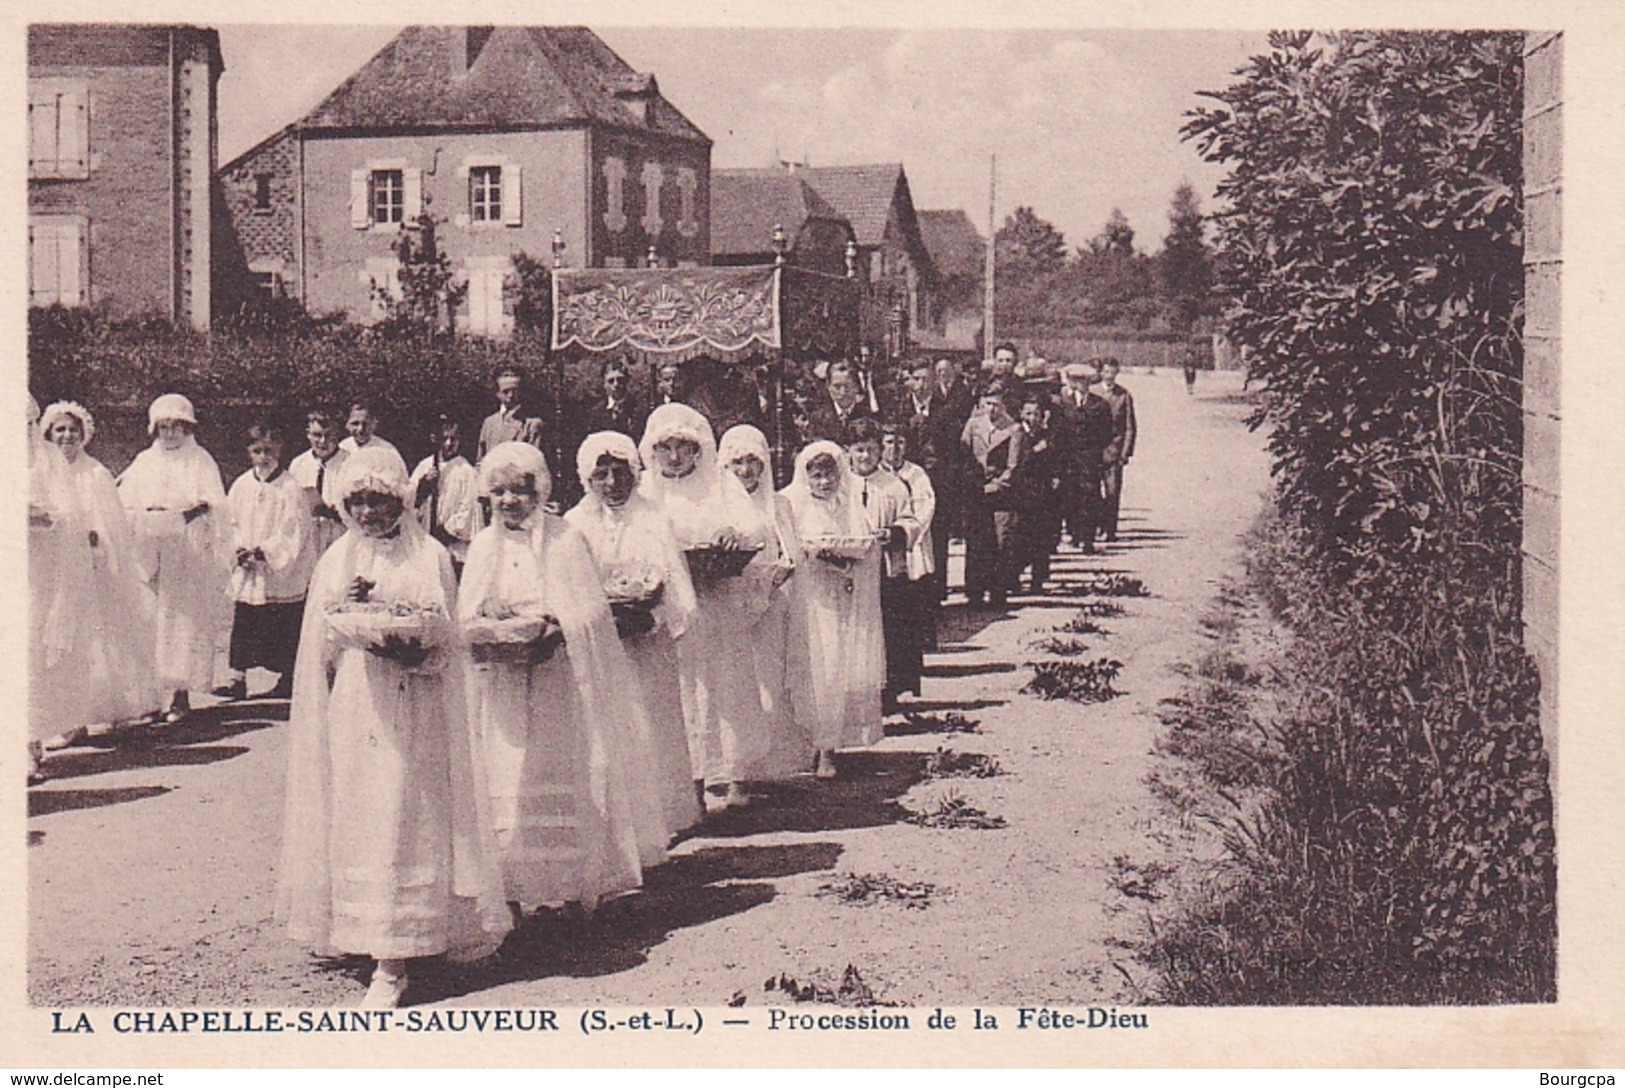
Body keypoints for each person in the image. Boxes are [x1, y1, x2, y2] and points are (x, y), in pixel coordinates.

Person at [276, 447, 511, 1010]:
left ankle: (403, 950)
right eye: (356, 501)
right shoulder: (336, 558)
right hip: (359, 703)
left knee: (409, 808)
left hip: (417, 702)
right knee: (362, 808)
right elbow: (321, 645)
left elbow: (445, 633)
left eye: (378, 501)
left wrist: (416, 650)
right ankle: (366, 934)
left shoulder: (428, 554)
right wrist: (343, 610)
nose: (368, 512)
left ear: (400, 500)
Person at [461, 442, 662, 918]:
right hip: (502, 686)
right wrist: (486, 618)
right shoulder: (484, 545)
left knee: (555, 775)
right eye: (500, 492)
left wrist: (555, 623)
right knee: (505, 780)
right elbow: (466, 613)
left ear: (540, 491)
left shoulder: (565, 539)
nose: (510, 501)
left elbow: (591, 611)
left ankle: (571, 889)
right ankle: (509, 888)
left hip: (557, 683)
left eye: (520, 491)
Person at [566, 432, 703, 838]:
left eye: (620, 473)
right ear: (586, 479)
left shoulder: (653, 516)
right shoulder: (574, 524)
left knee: (652, 724)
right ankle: (614, 827)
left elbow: (675, 582)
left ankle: (662, 820)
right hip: (601, 643)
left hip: (646, 640)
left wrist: (654, 614)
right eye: (601, 475)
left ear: (635, 473)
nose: (611, 484)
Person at [638, 403, 770, 811]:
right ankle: (689, 782)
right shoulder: (644, 489)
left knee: (725, 685)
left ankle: (733, 775)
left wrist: (732, 532)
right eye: (666, 448)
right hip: (671, 608)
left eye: (684, 447)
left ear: (699, 450)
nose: (675, 457)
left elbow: (756, 525)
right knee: (680, 691)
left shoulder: (720, 484)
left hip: (717, 602)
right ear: (653, 451)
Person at [118, 394, 232, 723]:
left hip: (186, 553)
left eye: (177, 427)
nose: (170, 434)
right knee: (149, 621)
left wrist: (192, 511)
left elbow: (216, 504)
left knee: (181, 622)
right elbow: (123, 501)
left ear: (187, 428)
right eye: (164, 427)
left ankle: (181, 695)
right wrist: (146, 515)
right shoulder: (144, 461)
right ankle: (150, 696)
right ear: (154, 429)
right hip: (149, 550)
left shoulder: (200, 460)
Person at [782, 441, 888, 779]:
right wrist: (809, 554)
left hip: (836, 599)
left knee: (832, 671)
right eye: (817, 476)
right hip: (803, 599)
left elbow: (864, 546)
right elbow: (788, 549)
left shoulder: (849, 506)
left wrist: (847, 558)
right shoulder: (791, 507)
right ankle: (802, 745)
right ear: (806, 477)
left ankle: (828, 748)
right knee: (805, 670)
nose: (824, 483)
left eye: (830, 475)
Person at [716, 424, 809, 781]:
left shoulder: (779, 503)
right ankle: (736, 767)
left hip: (772, 601)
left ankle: (769, 763)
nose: (745, 470)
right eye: (737, 462)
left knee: (769, 682)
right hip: (734, 603)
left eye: (752, 461)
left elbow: (792, 551)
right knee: (738, 684)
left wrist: (783, 571)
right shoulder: (718, 505)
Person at [218, 421, 314, 702]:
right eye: (257, 450)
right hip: (248, 567)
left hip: (277, 570)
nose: (263, 457)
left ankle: (288, 677)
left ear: (280, 449)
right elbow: (229, 522)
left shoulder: (290, 488)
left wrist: (264, 552)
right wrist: (238, 549)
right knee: (245, 619)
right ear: (248, 452)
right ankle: (237, 678)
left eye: (269, 450)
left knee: (283, 623)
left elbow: (293, 529)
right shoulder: (241, 485)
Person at [844, 418, 924, 714]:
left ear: (880, 452)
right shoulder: (841, 486)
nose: (865, 457)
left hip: (886, 569)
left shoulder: (893, 485)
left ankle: (887, 691)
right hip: (851, 567)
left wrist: (894, 533)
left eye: (871, 450)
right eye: (859, 450)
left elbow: (911, 520)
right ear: (848, 451)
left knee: (888, 629)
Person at [29, 395, 72, 781]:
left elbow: (67, 513)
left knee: (30, 653)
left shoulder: (49, 459)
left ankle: (30, 744)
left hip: (37, 569)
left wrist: (40, 515)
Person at [879, 420, 937, 692]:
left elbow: (926, 507)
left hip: (912, 548)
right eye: (889, 442)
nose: (894, 448)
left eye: (900, 443)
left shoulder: (916, 474)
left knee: (912, 609)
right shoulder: (876, 476)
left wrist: (908, 533)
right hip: (884, 553)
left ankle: (913, 669)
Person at [961, 383, 1025, 607]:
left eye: (996, 405)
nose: (991, 409)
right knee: (977, 542)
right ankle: (975, 592)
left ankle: (998, 592)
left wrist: (997, 484)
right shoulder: (973, 425)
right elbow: (964, 454)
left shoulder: (1014, 430)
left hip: (1002, 495)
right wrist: (972, 482)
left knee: (1001, 541)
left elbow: (1013, 466)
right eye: (987, 404)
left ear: (1004, 406)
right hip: (976, 492)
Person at [409, 416, 482, 578]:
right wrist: (423, 486)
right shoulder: (425, 466)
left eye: (453, 439)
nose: (448, 444)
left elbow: (469, 509)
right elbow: (409, 502)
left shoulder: (466, 471)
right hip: (425, 543)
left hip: (453, 546)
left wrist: (447, 531)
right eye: (444, 439)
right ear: (435, 439)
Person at [1054, 362, 1114, 552]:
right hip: (1068, 459)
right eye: (1076, 380)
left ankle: (1088, 538)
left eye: (1085, 381)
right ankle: (1074, 533)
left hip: (1090, 459)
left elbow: (1106, 432)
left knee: (1090, 497)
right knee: (1069, 497)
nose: (1081, 384)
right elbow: (1057, 433)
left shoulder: (1099, 404)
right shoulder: (1063, 404)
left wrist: (1101, 456)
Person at [1014, 397, 1063, 592]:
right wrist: (1034, 451)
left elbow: (1058, 459)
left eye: (1036, 414)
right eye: (1028, 413)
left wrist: (1056, 477)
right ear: (1021, 414)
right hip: (1021, 491)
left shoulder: (1048, 436)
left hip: (1043, 492)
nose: (1032, 418)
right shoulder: (1016, 434)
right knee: (1019, 537)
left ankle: (1038, 579)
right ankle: (1014, 577)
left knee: (1041, 537)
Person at [288, 410, 349, 557]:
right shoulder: (298, 464)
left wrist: (332, 511)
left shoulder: (350, 463)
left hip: (340, 539)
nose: (322, 441)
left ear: (337, 435)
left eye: (329, 435)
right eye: (317, 435)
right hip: (307, 541)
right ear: (308, 434)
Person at [1097, 358, 1138, 542]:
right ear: (1101, 373)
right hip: (1094, 451)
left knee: (1113, 492)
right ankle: (1098, 524)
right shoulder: (1093, 392)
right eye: (1106, 372)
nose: (1109, 376)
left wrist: (1125, 453)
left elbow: (1130, 427)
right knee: (1092, 493)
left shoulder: (1124, 396)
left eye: (1112, 372)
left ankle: (1110, 530)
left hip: (1114, 452)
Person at [477, 370, 546, 464]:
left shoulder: (532, 424)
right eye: (506, 391)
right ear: (497, 394)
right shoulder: (489, 423)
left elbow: (534, 463)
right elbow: (480, 461)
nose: (511, 395)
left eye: (515, 391)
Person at [801, 361, 874, 448]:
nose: (842, 393)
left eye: (847, 386)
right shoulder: (818, 419)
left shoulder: (868, 417)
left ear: (856, 387)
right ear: (829, 387)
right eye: (837, 387)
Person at [583, 358, 646, 440]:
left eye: (620, 380)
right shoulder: (597, 412)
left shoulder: (638, 409)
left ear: (627, 380)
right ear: (604, 384)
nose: (616, 384)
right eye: (611, 381)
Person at [338, 400, 406, 474]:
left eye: (366, 424)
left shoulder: (387, 451)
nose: (360, 429)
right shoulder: (342, 448)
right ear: (347, 425)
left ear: (374, 424)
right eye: (355, 423)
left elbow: (401, 482)